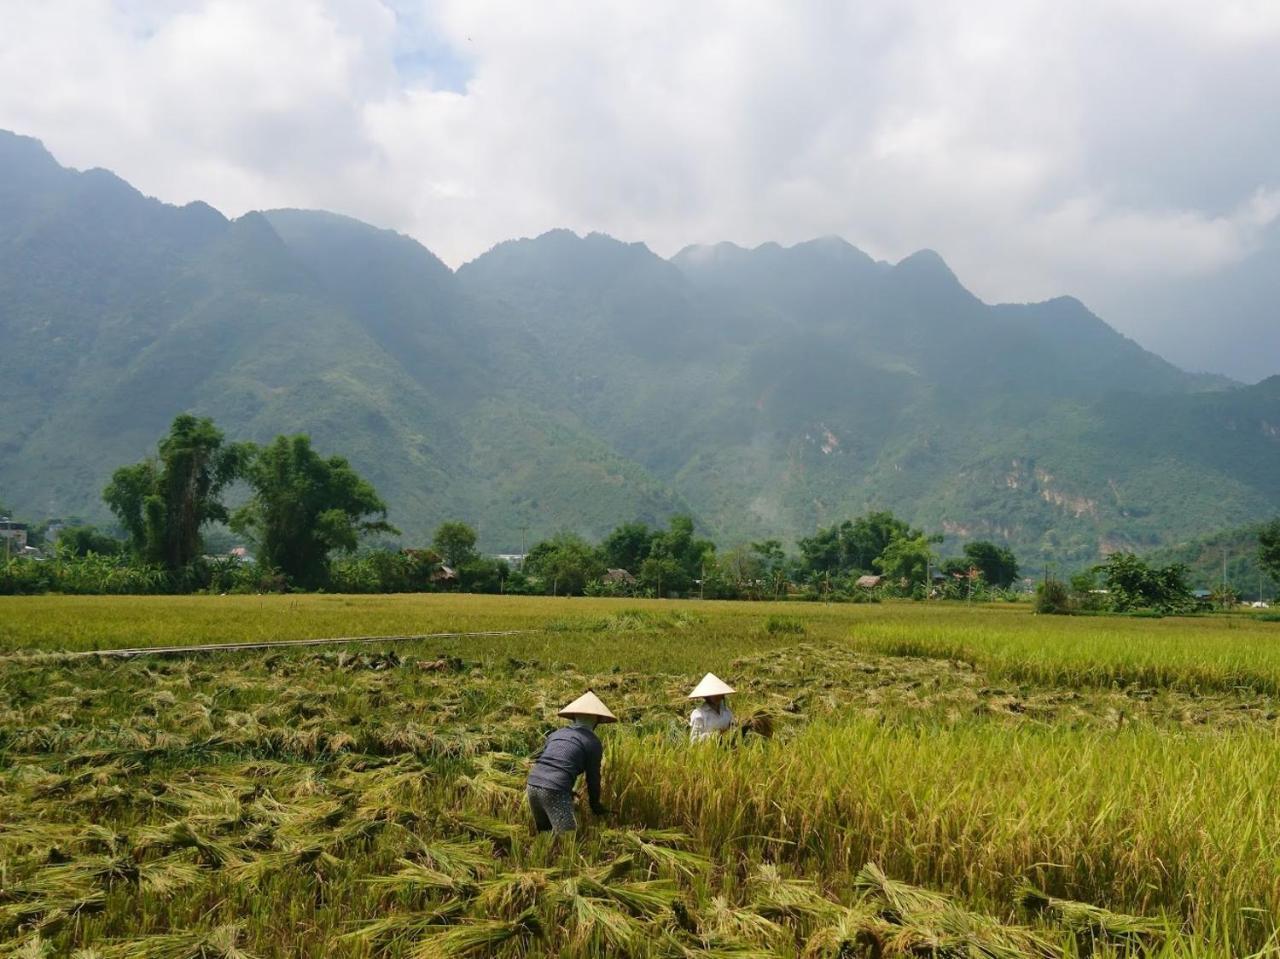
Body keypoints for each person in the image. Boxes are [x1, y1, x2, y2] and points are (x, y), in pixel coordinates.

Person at [526, 689, 616, 833]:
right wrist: (595, 804)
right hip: (555, 789)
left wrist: (567, 790)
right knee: (567, 837)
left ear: (574, 717)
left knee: (545, 833)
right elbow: (593, 777)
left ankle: (545, 854)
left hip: (532, 784)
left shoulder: (557, 734)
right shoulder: (592, 742)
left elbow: (547, 761)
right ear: (597, 721)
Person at [688, 673, 735, 743]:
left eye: (719, 693)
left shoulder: (727, 712)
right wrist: (716, 734)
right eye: (712, 694)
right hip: (707, 752)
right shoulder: (699, 714)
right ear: (706, 696)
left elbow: (733, 730)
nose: (716, 696)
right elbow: (694, 740)